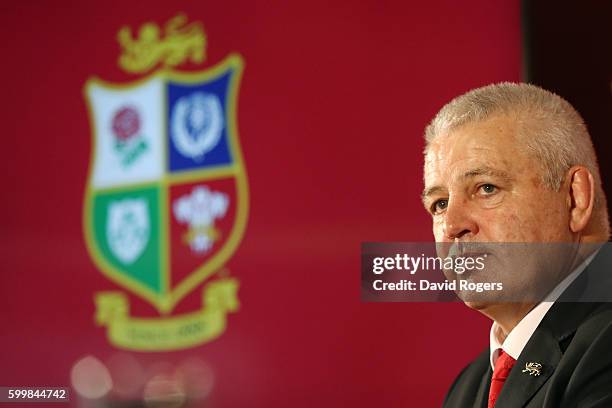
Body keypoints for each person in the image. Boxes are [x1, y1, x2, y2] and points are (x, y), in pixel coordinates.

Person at [421, 82, 612, 407]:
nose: (452, 226)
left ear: (575, 198)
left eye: (486, 188)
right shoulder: (469, 388)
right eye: (439, 204)